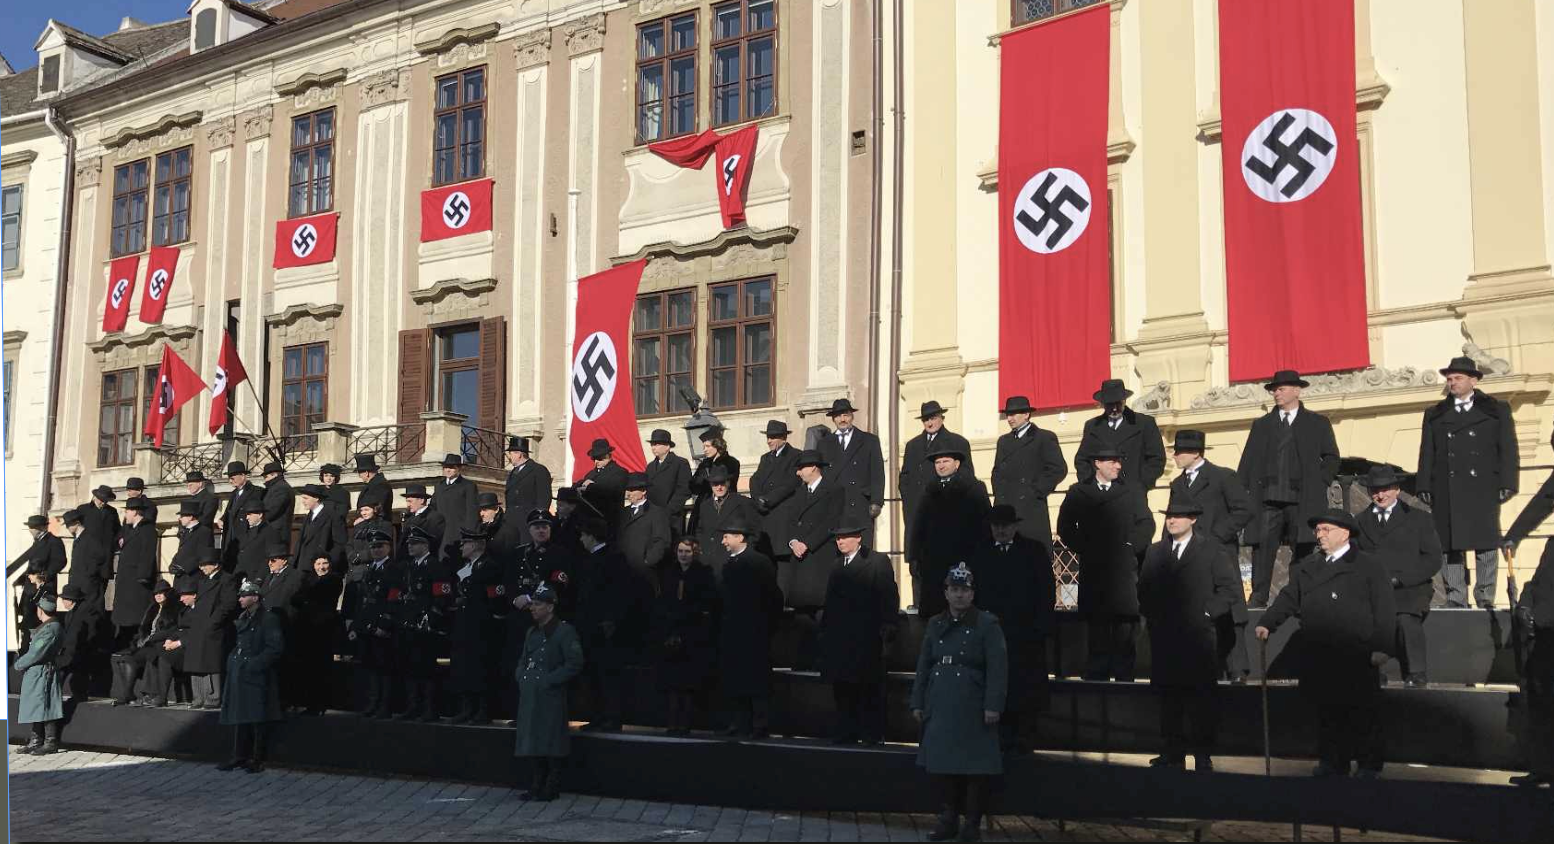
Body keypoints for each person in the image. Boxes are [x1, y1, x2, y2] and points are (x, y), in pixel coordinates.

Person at [1256, 510, 1395, 778]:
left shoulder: (1368, 565)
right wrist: (1268, 622)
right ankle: (1333, 761)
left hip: (1357, 653)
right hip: (1320, 652)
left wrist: (1383, 647)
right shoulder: (1309, 566)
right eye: (1317, 530)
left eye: (1325, 530)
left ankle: (1368, 764)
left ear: (1344, 533)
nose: (1319, 535)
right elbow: (1289, 597)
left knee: (1362, 713)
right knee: (1327, 712)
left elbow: (1385, 609)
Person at [1138, 501, 1242, 772]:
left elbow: (1229, 591)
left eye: (1178, 516)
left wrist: (1207, 612)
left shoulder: (1212, 550)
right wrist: (1154, 617)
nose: (1172, 521)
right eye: (1169, 516)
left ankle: (1202, 754)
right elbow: (1144, 588)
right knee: (1169, 700)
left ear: (1193, 519)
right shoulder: (1156, 551)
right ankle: (1172, 752)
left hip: (1198, 640)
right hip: (1165, 638)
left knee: (1201, 700)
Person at [912, 563, 1008, 843]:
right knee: (944, 764)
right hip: (941, 700)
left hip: (973, 702)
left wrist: (993, 704)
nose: (959, 595)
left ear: (973, 593)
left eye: (964, 590)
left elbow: (998, 667)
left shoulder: (987, 624)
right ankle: (948, 819)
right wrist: (918, 701)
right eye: (954, 589)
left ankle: (972, 824)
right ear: (946, 593)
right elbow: (924, 665)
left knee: (975, 767)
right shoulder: (935, 624)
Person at [1418, 356, 1519, 609]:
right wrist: (1423, 485)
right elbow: (1427, 452)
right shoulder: (1436, 413)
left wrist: (1508, 482)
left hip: (1483, 486)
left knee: (1486, 542)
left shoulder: (1495, 409)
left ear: (1473, 380)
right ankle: (1455, 596)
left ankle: (1485, 595)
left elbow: (1508, 448)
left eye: (1458, 378)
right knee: (1449, 544)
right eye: (1449, 379)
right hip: (1446, 487)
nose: (1452, 382)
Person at [1238, 370, 1340, 609]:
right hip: (1267, 499)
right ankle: (1259, 596)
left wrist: (1320, 481)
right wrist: (1242, 495)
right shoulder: (1262, 425)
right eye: (1274, 389)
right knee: (1262, 548)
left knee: (1302, 547)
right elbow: (1247, 462)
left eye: (1281, 389)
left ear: (1297, 390)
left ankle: (1300, 595)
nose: (1276, 393)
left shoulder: (1317, 423)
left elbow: (1332, 458)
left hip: (1302, 499)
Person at [1057, 447, 1156, 682]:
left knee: (1124, 633)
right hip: (1094, 571)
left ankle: (1125, 681)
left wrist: (1131, 546)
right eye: (1112, 461)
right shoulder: (1079, 492)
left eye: (1119, 461)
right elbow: (1066, 527)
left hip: (1123, 571)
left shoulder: (1132, 490)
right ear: (1097, 463)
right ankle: (1097, 681)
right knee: (1097, 633)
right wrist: (1086, 547)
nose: (1118, 466)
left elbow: (1146, 524)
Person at [1165, 430, 1254, 680]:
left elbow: (1244, 510)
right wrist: (1167, 550)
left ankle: (1238, 670)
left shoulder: (1223, 476)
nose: (1175, 456)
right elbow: (1172, 516)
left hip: (1219, 553)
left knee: (1228, 609)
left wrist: (1216, 535)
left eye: (1179, 452)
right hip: (1189, 557)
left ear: (1195, 453)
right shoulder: (1178, 484)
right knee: (1197, 610)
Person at [970, 505, 1055, 753]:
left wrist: (1041, 626)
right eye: (996, 526)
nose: (1001, 530)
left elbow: (1045, 590)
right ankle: (999, 735)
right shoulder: (980, 552)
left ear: (1015, 526)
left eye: (1005, 525)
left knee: (1025, 685)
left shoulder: (1033, 551)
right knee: (995, 683)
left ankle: (1025, 735)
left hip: (1025, 632)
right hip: (991, 631)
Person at [1353, 465, 1443, 687]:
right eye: (1375, 490)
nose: (1380, 495)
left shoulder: (1419, 519)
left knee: (1405, 617)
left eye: (1385, 489)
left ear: (1397, 489)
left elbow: (1432, 559)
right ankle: (1372, 671)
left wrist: (1402, 579)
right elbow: (1353, 557)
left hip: (1410, 587)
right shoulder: (1359, 522)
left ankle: (1416, 672)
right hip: (1373, 588)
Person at [819, 524, 897, 745]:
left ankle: (871, 733)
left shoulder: (877, 561)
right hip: (840, 637)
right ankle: (846, 730)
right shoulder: (836, 565)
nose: (840, 541)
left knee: (868, 687)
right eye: (838, 538)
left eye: (845, 537)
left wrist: (889, 624)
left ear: (858, 538)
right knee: (843, 687)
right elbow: (830, 601)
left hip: (867, 635)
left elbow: (889, 595)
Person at [1504, 445, 1554, 786]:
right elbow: (1542, 501)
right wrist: (1515, 535)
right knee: (1540, 694)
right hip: (1547, 633)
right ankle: (1544, 767)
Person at [574, 517, 651, 732]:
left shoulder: (614, 559)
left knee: (608, 675)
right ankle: (597, 715)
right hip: (589, 627)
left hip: (606, 629)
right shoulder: (590, 559)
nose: (581, 539)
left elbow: (620, 593)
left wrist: (610, 620)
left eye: (583, 535)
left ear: (592, 536)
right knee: (592, 674)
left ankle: (612, 717)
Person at [513, 583, 585, 802]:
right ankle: (536, 784)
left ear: (550, 607)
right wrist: (521, 676)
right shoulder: (532, 632)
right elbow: (523, 659)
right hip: (531, 693)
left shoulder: (564, 632)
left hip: (550, 693)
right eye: (532, 604)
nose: (533, 608)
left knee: (551, 739)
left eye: (537, 604)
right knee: (532, 738)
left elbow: (574, 663)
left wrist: (549, 680)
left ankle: (551, 785)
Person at [900, 401, 975, 610]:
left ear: (942, 418)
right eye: (926, 419)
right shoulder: (913, 445)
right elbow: (904, 478)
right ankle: (920, 610)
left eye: (933, 418)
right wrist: (910, 501)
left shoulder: (957, 442)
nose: (929, 422)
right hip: (918, 515)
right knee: (918, 568)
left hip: (947, 516)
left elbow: (968, 476)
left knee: (950, 572)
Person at [717, 521, 784, 738]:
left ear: (740, 537)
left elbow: (773, 597)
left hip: (755, 631)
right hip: (733, 631)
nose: (723, 541)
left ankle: (759, 724)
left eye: (727, 537)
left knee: (756, 680)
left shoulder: (759, 562)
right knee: (735, 678)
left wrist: (766, 627)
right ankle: (739, 722)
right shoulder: (729, 563)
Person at [910, 446, 992, 619]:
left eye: (945, 461)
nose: (941, 466)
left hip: (965, 558)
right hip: (934, 561)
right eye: (937, 462)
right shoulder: (928, 490)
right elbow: (918, 525)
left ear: (957, 463)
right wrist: (915, 555)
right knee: (936, 610)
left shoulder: (974, 488)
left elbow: (985, 524)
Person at [217, 578, 286, 774]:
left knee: (257, 717)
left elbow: (275, 647)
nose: (240, 599)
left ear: (255, 598)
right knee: (240, 715)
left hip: (256, 674)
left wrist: (254, 664)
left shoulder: (268, 618)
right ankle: (239, 755)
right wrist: (234, 661)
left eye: (244, 596)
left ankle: (257, 758)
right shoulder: (243, 616)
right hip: (240, 671)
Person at [652, 538, 717, 736]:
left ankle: (685, 722)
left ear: (694, 553)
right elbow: (663, 601)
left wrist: (688, 619)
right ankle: (672, 722)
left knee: (688, 682)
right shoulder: (669, 573)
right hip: (670, 631)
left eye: (687, 551)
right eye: (680, 551)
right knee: (672, 681)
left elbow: (705, 603)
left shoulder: (703, 574)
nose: (683, 555)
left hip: (692, 633)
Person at [990, 395, 1067, 550]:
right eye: (1008, 414)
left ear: (1026, 414)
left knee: (1032, 554)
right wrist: (999, 495)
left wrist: (1035, 491)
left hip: (1030, 509)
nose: (1009, 418)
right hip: (1006, 511)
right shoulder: (1003, 441)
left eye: (1013, 414)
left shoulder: (1044, 437)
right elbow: (997, 472)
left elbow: (1058, 468)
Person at [395, 527, 454, 721]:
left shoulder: (435, 566)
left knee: (426, 667)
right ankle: (413, 705)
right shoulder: (409, 566)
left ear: (426, 545)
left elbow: (442, 597)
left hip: (427, 625)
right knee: (410, 666)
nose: (410, 547)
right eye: (409, 543)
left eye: (415, 543)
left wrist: (431, 618)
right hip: (409, 622)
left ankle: (429, 708)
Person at [448, 526, 505, 725]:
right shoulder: (464, 567)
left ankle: (482, 709)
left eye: (465, 543)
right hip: (464, 622)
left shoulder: (489, 567)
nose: (461, 547)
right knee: (463, 665)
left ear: (475, 545)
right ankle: (467, 707)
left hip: (481, 624)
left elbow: (496, 597)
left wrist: (493, 619)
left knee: (480, 666)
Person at [1074, 380, 1166, 498]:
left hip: (1133, 494)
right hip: (1101, 495)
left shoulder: (1144, 423)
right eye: (1109, 404)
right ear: (1103, 404)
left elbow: (1157, 459)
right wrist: (1092, 485)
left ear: (1124, 401)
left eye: (1118, 403)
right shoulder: (1092, 426)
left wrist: (1141, 484)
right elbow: (1082, 460)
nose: (1114, 409)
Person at [346, 530, 401, 719]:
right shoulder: (370, 569)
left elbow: (394, 598)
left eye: (380, 546)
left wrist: (384, 625)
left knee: (383, 667)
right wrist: (355, 627)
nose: (376, 550)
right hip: (367, 625)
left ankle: (384, 705)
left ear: (388, 547)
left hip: (381, 626)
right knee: (370, 666)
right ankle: (373, 702)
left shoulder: (393, 569)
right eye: (373, 547)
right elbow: (362, 600)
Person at [817, 399, 886, 546]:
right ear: (833, 419)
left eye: (846, 415)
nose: (842, 419)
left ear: (852, 416)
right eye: (838, 416)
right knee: (837, 548)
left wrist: (877, 501)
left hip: (860, 504)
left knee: (862, 549)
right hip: (835, 506)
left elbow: (877, 473)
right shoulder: (824, 443)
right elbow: (821, 476)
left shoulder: (869, 440)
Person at [181, 549, 240, 710]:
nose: (202, 568)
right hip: (198, 625)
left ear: (215, 565)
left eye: (205, 565)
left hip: (213, 627)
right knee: (196, 662)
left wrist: (213, 622)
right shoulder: (202, 581)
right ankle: (198, 696)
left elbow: (228, 604)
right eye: (200, 565)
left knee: (211, 663)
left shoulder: (227, 579)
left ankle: (213, 697)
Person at [785, 450, 845, 610]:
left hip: (819, 555)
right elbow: (791, 521)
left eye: (801, 468)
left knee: (820, 607)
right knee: (800, 611)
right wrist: (793, 541)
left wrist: (807, 543)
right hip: (799, 556)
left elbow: (832, 521)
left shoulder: (834, 489)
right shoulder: (799, 492)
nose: (798, 473)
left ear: (813, 467)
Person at [115, 580, 181, 707]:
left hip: (161, 643)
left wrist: (153, 638)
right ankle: (128, 694)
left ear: (168, 593)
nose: (158, 596)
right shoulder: (153, 608)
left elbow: (174, 629)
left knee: (152, 656)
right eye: (156, 593)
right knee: (126, 659)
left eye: (161, 593)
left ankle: (151, 695)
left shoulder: (175, 608)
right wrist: (140, 639)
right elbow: (144, 629)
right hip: (148, 643)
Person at [293, 554, 344, 717]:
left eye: (325, 563)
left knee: (322, 667)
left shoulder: (334, 579)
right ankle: (309, 702)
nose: (321, 567)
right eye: (318, 563)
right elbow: (295, 599)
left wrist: (307, 598)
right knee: (308, 667)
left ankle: (320, 703)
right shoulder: (308, 580)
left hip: (324, 629)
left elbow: (320, 595)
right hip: (307, 628)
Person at [16, 594, 67, 755]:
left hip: (42, 671)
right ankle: (36, 740)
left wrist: (19, 664)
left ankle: (50, 742)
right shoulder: (49, 627)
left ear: (41, 610)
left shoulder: (51, 629)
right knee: (36, 705)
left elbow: (36, 653)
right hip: (38, 671)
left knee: (46, 705)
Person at [259, 542, 305, 708]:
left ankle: (286, 700)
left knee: (284, 666)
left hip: (284, 626)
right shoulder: (268, 577)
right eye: (269, 560)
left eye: (273, 560)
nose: (270, 563)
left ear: (284, 560)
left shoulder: (295, 576)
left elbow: (294, 602)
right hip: (267, 626)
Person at [750, 419, 802, 564]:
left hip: (781, 515)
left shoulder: (795, 455)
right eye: (768, 437)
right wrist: (758, 500)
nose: (769, 441)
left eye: (773, 437)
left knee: (782, 563)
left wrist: (768, 500)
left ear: (783, 437)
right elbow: (755, 480)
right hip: (764, 516)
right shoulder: (765, 458)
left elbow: (791, 484)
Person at [695, 465, 760, 580]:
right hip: (710, 562)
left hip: (734, 561)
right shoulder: (705, 506)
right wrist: (703, 551)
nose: (719, 487)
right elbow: (701, 531)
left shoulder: (743, 503)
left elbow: (755, 531)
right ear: (710, 485)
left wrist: (743, 553)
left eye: (722, 483)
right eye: (715, 484)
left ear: (728, 483)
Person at [112, 496, 161, 650]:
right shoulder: (130, 529)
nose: (125, 514)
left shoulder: (147, 530)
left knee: (136, 616)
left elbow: (147, 554)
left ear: (135, 512)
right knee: (124, 617)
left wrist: (143, 576)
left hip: (136, 581)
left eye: (127, 511)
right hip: (125, 579)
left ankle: (135, 644)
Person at [55, 583, 107, 704]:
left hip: (79, 652)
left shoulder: (87, 611)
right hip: (68, 652)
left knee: (72, 679)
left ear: (71, 600)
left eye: (64, 599)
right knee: (59, 677)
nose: (62, 602)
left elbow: (91, 632)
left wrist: (83, 648)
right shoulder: (70, 613)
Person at [619, 472, 671, 582]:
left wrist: (648, 561)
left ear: (643, 491)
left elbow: (661, 541)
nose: (629, 494)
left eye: (632, 490)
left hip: (645, 571)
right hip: (624, 569)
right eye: (628, 490)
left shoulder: (657, 512)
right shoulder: (623, 513)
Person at [689, 429, 742, 535]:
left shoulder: (731, 462)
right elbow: (694, 486)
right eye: (703, 447)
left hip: (723, 506)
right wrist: (700, 478)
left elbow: (728, 484)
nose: (704, 450)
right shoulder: (704, 464)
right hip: (702, 506)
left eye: (707, 446)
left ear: (717, 445)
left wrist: (707, 478)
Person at [62, 507, 112, 611]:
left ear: (77, 523)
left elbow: (101, 558)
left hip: (88, 586)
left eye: (68, 525)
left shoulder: (91, 538)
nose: (67, 528)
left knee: (89, 612)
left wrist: (89, 574)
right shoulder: (78, 539)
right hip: (79, 585)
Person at [432, 453, 480, 559]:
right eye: (446, 467)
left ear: (459, 469)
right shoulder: (439, 486)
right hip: (441, 535)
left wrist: (469, 536)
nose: (448, 470)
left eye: (452, 467)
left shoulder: (468, 486)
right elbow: (433, 509)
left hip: (458, 535)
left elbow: (472, 513)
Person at [645, 428, 693, 534]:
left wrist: (669, 510)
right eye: (652, 444)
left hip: (672, 518)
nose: (653, 448)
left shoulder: (680, 463)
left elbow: (684, 489)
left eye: (657, 444)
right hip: (653, 517)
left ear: (667, 446)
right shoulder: (650, 467)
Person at [292, 484, 346, 574]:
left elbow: (339, 543)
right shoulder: (308, 517)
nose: (303, 502)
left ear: (316, 498)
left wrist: (327, 564)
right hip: (302, 567)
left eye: (306, 498)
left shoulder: (332, 516)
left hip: (320, 569)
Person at [578, 438, 630, 531]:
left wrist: (590, 487)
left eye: (599, 458)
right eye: (594, 458)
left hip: (609, 519)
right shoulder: (590, 474)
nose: (596, 462)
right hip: (590, 520)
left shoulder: (619, 472)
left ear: (608, 455)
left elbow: (612, 491)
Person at [169, 500, 215, 594]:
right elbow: (181, 550)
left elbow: (204, 554)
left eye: (182, 516)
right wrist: (173, 564)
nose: (180, 519)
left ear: (190, 517)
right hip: (180, 577)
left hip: (193, 577)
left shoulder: (204, 531)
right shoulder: (185, 532)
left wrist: (185, 568)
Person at [230, 498, 279, 584]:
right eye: (246, 514)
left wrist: (259, 578)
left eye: (250, 514)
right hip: (240, 576)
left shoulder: (270, 532)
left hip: (255, 577)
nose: (247, 518)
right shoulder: (246, 531)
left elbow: (269, 558)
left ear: (260, 514)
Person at [16, 513, 66, 592]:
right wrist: (22, 579)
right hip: (30, 588)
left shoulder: (54, 541)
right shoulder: (37, 542)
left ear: (41, 528)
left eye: (32, 527)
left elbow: (60, 562)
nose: (30, 530)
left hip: (45, 587)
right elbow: (33, 564)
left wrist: (42, 576)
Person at [504, 436, 553, 516]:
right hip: (511, 519)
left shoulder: (538, 470)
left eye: (510, 453)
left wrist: (538, 518)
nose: (509, 457)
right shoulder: (513, 473)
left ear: (519, 454)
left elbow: (544, 498)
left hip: (528, 518)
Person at [400, 484, 446, 559]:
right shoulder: (408, 520)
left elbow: (435, 543)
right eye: (407, 501)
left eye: (410, 501)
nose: (408, 505)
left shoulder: (435, 517)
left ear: (421, 500)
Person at [218, 461, 264, 535]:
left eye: (232, 478)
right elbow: (230, 511)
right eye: (229, 479)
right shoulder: (233, 493)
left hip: (246, 533)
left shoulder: (256, 491)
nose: (230, 481)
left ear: (242, 476)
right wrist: (222, 519)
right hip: (231, 534)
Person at [259, 462, 295, 542]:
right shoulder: (274, 487)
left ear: (274, 474)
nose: (265, 480)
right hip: (272, 533)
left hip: (276, 534)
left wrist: (258, 519)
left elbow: (272, 510)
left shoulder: (281, 488)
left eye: (266, 477)